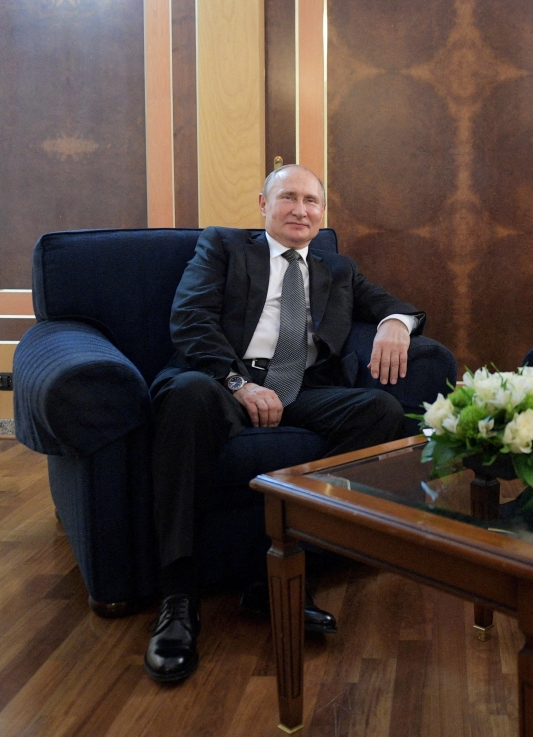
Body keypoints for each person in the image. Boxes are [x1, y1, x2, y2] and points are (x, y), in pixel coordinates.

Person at [144, 165, 425, 683]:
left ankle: (287, 575)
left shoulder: (338, 268)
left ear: (322, 213)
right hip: (222, 380)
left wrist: (392, 324)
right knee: (186, 396)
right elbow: (190, 319)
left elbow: (396, 306)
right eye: (288, 198)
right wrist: (240, 384)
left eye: (312, 201)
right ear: (263, 204)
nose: (301, 209)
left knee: (381, 413)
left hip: (304, 389)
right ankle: (178, 599)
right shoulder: (224, 247)